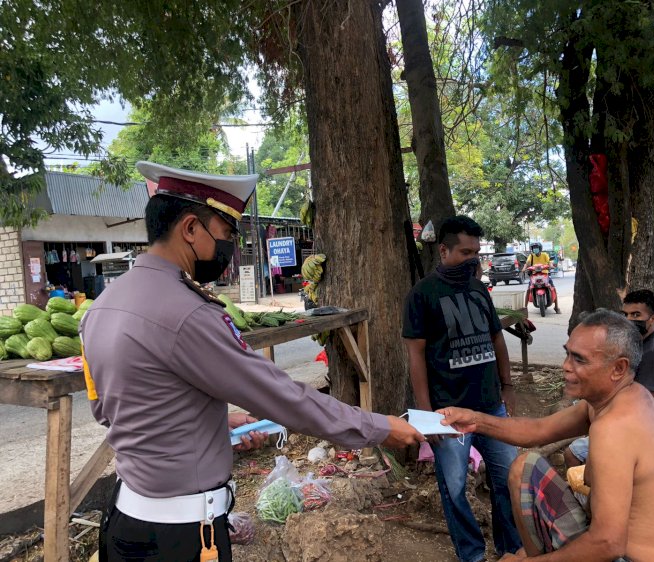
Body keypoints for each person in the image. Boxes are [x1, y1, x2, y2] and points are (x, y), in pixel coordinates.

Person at [81, 161, 424, 561]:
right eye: (225, 234)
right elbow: (282, 399)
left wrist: (215, 421)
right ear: (190, 229)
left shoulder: (99, 309)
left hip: (125, 524)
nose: (230, 248)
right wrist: (379, 427)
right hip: (181, 538)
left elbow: (111, 408)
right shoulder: (187, 314)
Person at [438, 309, 654, 562]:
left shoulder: (613, 429)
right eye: (567, 354)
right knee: (525, 467)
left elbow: (608, 543)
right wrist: (475, 420)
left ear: (618, 368)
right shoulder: (630, 397)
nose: (566, 366)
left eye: (579, 360)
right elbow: (538, 431)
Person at [403, 215, 522, 562]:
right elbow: (416, 357)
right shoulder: (421, 295)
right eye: (465, 253)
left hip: (490, 407)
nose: (473, 260)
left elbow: (497, 338)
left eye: (476, 253)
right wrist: (426, 416)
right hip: (447, 414)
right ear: (443, 250)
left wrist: (507, 385)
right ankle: (472, 554)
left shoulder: (478, 289)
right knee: (454, 489)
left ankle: (510, 549)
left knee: (507, 480)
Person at [564, 289, 654, 467]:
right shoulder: (643, 345)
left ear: (653, 319)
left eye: (636, 315)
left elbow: (644, 408)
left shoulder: (652, 353)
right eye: (625, 314)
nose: (629, 320)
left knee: (573, 452)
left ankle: (587, 491)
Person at [521, 243, 560, 314]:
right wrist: (524, 269)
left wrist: (551, 266)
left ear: (540, 248)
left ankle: (556, 307)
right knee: (528, 289)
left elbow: (549, 263)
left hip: (545, 274)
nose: (535, 249)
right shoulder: (531, 256)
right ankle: (525, 308)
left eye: (536, 247)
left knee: (553, 288)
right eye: (533, 248)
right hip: (534, 275)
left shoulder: (545, 255)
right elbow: (527, 263)